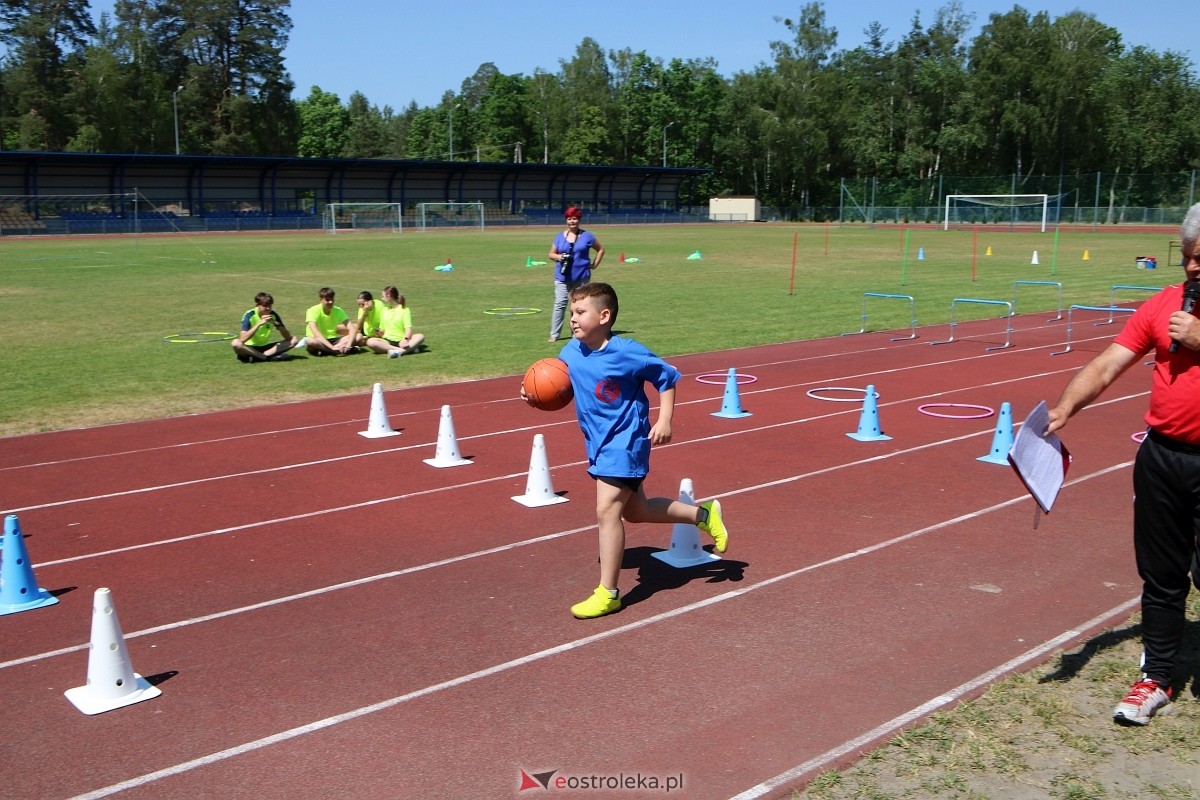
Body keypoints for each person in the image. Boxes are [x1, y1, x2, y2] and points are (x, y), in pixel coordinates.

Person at [1046, 202, 1200, 726]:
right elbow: (1109, 362)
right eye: (1186, 257)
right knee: (1161, 575)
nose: (1193, 267)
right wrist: (1067, 406)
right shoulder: (1163, 305)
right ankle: (1155, 676)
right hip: (1162, 458)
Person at [528, 282, 728, 619]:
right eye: (571, 312)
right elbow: (560, 388)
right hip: (599, 443)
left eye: (580, 312)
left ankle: (609, 592)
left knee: (607, 510)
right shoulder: (568, 354)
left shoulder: (627, 351)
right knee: (636, 511)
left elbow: (667, 377)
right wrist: (534, 394)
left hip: (627, 442)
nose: (572, 319)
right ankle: (704, 515)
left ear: (604, 316)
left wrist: (664, 419)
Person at [548, 206, 604, 343]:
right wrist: (559, 257)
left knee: (579, 307)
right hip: (562, 278)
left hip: (582, 277)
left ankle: (576, 333)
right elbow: (550, 253)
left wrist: (595, 264)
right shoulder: (560, 237)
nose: (572, 221)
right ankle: (554, 334)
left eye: (574, 218)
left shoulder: (587, 236)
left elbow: (601, 249)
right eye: (569, 219)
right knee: (560, 305)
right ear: (566, 220)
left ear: (579, 220)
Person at [231, 292, 305, 362]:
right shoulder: (249, 315)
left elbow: (288, 338)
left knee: (294, 340)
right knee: (236, 343)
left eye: (270, 306)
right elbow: (242, 339)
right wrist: (259, 324)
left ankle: (258, 357)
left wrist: (277, 324)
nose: (268, 308)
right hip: (250, 348)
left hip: (266, 348)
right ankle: (265, 358)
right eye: (265, 306)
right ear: (257, 305)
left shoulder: (273, 315)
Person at [359, 285, 426, 357]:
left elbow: (408, 328)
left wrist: (405, 339)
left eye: (383, 296)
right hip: (387, 341)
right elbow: (382, 330)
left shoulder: (405, 310)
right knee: (370, 342)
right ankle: (402, 350)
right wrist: (379, 333)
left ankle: (399, 351)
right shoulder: (384, 310)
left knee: (420, 336)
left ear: (389, 296)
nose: (382, 298)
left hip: (401, 340)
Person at [305, 286, 360, 356]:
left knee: (358, 336)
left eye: (332, 299)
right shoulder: (312, 311)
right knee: (310, 341)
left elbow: (352, 328)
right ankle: (337, 350)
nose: (330, 302)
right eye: (327, 300)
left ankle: (329, 351)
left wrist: (348, 345)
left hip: (333, 340)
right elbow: (316, 333)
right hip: (319, 340)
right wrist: (331, 347)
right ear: (321, 300)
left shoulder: (338, 310)